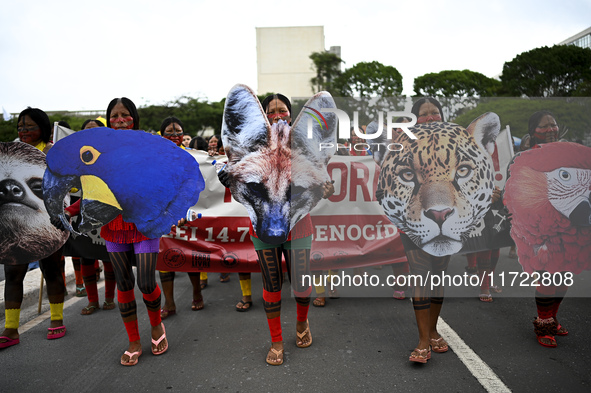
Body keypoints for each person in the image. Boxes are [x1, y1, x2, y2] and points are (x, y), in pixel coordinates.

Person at [219, 93, 334, 365]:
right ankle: (277, 341)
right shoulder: (249, 148)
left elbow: (325, 186)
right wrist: (227, 175)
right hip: (261, 231)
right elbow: (234, 171)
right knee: (272, 284)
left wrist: (327, 187)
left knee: (301, 284)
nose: (277, 115)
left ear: (292, 115)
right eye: (271, 111)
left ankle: (302, 324)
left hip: (300, 228)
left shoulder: (306, 147)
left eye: (282, 110)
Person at [64, 98, 167, 365]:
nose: (120, 120)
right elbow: (92, 190)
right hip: (113, 226)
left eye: (125, 115)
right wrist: (72, 210)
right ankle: (133, 340)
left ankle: (156, 326)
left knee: (145, 281)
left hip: (144, 224)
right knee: (124, 282)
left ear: (134, 118)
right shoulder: (97, 153)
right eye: (114, 116)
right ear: (108, 120)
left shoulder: (149, 146)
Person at [1, 107, 67, 349]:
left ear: (43, 128)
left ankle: (57, 318)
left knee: (51, 269)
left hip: (48, 220)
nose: (24, 130)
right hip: (13, 225)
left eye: (29, 126)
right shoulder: (10, 152)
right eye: (21, 126)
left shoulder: (54, 153)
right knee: (13, 272)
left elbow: (67, 186)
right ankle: (10, 328)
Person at [403, 97, 450, 363]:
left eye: (436, 113)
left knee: (438, 276)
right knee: (421, 275)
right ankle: (423, 340)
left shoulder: (459, 147)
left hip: (449, 221)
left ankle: (433, 330)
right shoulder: (401, 146)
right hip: (414, 221)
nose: (431, 117)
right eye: (424, 114)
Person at [521, 111, 568, 348]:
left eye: (554, 124)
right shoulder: (525, 158)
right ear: (533, 132)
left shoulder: (570, 154)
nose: (550, 129)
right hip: (541, 226)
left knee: (565, 276)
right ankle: (544, 323)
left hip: (570, 226)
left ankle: (553, 317)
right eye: (544, 126)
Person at [157, 116, 204, 317]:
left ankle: (197, 293)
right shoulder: (154, 158)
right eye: (170, 132)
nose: (175, 136)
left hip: (187, 214)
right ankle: (169, 303)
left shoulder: (193, 157)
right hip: (162, 215)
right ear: (162, 135)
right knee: (164, 258)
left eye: (178, 132)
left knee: (188, 256)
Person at [75, 119, 116, 315]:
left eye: (95, 130)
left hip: (108, 215)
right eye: (86, 130)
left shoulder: (112, 157)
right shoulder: (77, 159)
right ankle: (92, 301)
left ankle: (109, 298)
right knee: (86, 258)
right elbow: (79, 191)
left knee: (108, 258)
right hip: (85, 216)